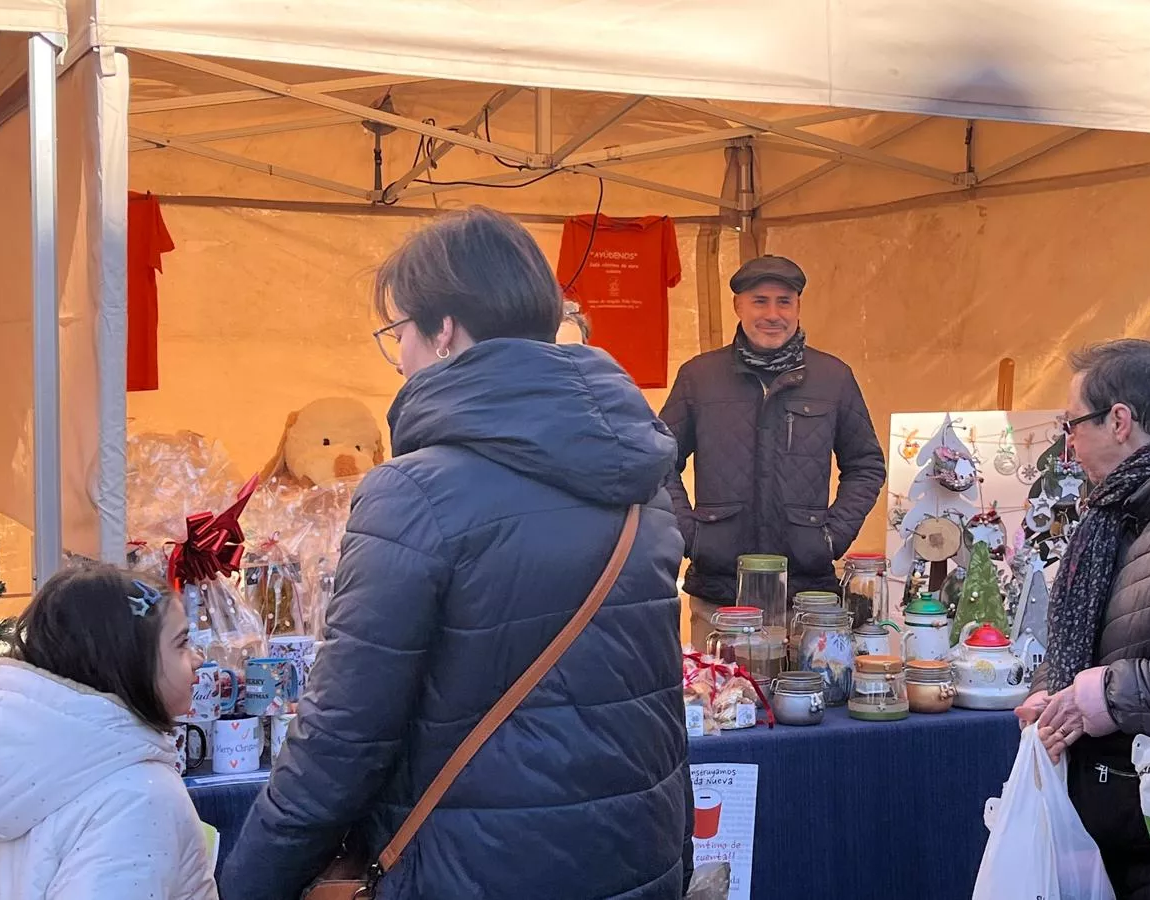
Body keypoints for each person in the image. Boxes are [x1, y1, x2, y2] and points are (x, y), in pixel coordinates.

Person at [220, 207, 692, 899]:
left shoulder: (412, 494)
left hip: (473, 873)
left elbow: (342, 740)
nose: (401, 355)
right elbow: (660, 708)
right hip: (631, 863)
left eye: (398, 332)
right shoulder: (640, 481)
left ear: (443, 331)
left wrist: (245, 884)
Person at [1015, 339, 1150, 900]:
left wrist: (1097, 697)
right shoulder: (1115, 513)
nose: (1069, 444)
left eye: (1072, 425)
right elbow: (1088, 642)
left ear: (1120, 420)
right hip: (1117, 816)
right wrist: (1051, 694)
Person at [0, 563, 215, 900]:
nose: (197, 658)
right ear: (128, 661)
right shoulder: (139, 797)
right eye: (181, 643)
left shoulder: (22, 772)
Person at [660, 255, 886, 646]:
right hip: (720, 593)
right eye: (759, 300)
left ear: (798, 306)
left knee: (810, 699)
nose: (772, 313)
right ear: (738, 306)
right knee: (722, 701)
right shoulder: (699, 376)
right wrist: (691, 535)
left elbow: (866, 464)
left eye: (784, 301)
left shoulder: (833, 377)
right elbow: (660, 461)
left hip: (808, 597)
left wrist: (833, 537)